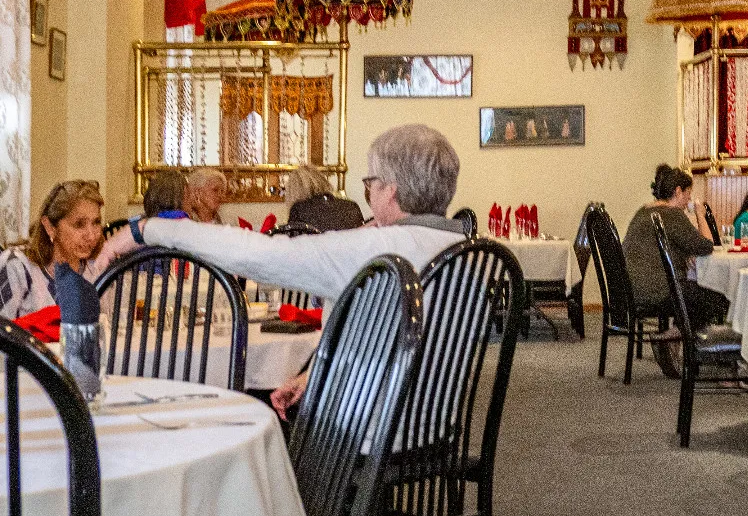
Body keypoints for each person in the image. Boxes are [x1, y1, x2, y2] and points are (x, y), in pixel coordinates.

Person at [100, 125, 466, 412]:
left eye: (370, 184)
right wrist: (316, 375)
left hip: (361, 435)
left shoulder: (377, 250)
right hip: (426, 427)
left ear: (391, 190)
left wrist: (149, 228)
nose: (368, 193)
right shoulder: (464, 253)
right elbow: (391, 342)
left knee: (227, 416)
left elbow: (261, 256)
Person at [623, 164, 727, 334]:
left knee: (694, 292)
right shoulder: (672, 214)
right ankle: (675, 337)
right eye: (688, 194)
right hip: (658, 291)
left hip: (632, 288)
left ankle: (675, 337)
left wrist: (685, 255)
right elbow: (708, 245)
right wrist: (700, 214)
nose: (688, 201)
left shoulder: (643, 211)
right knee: (717, 296)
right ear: (678, 191)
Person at [0, 179, 106, 320]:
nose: (92, 235)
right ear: (50, 227)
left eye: (96, 222)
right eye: (79, 224)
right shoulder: (17, 265)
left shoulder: (97, 268)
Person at [284, 163, 365, 232]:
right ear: (323, 181)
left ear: (293, 191)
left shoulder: (298, 210)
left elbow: (295, 245)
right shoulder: (351, 206)